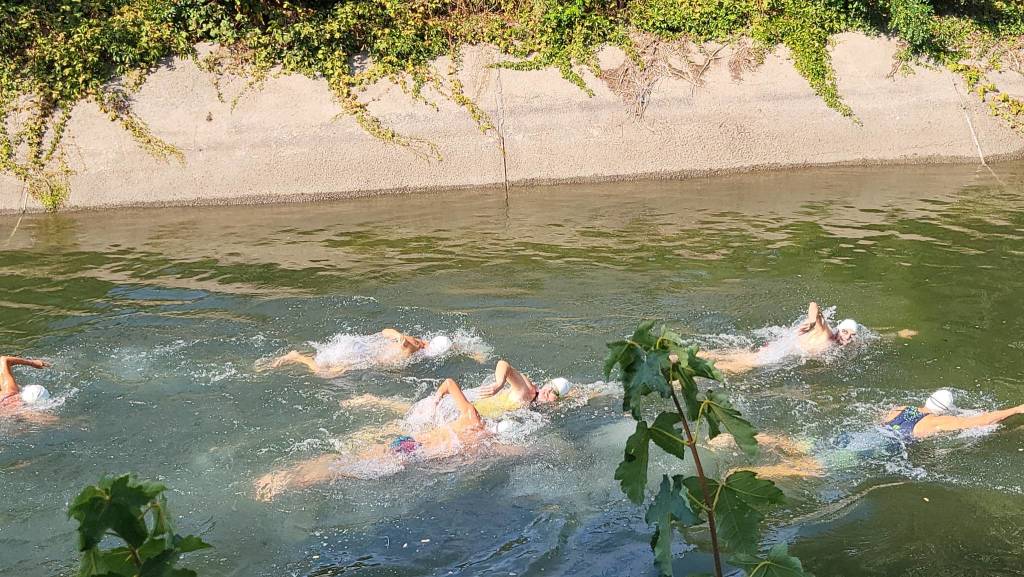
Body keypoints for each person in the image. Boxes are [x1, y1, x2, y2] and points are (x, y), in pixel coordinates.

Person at [253, 361, 572, 501]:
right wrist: (549, 452)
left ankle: (290, 475)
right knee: (348, 469)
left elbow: (450, 383)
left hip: (411, 446)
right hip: (410, 451)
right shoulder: (478, 428)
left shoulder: (473, 426)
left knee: (351, 462)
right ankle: (285, 480)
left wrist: (437, 398)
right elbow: (511, 449)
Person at [701, 302, 859, 374]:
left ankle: (685, 359)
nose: (848, 338)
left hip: (779, 347)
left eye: (852, 335)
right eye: (845, 332)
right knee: (743, 366)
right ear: (839, 329)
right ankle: (695, 372)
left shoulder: (840, 343)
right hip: (778, 352)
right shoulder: (827, 333)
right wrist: (812, 322)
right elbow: (813, 305)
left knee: (735, 356)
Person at [267, 328, 454, 377]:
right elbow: (389, 332)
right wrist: (399, 337)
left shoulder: (419, 342)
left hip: (362, 350)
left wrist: (398, 336)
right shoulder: (413, 346)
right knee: (324, 373)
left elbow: (384, 332)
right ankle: (296, 356)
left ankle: (299, 356)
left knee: (325, 364)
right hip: (363, 356)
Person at [881, 389, 1024, 440]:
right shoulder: (937, 422)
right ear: (945, 410)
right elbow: (983, 421)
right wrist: (1016, 409)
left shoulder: (900, 409)